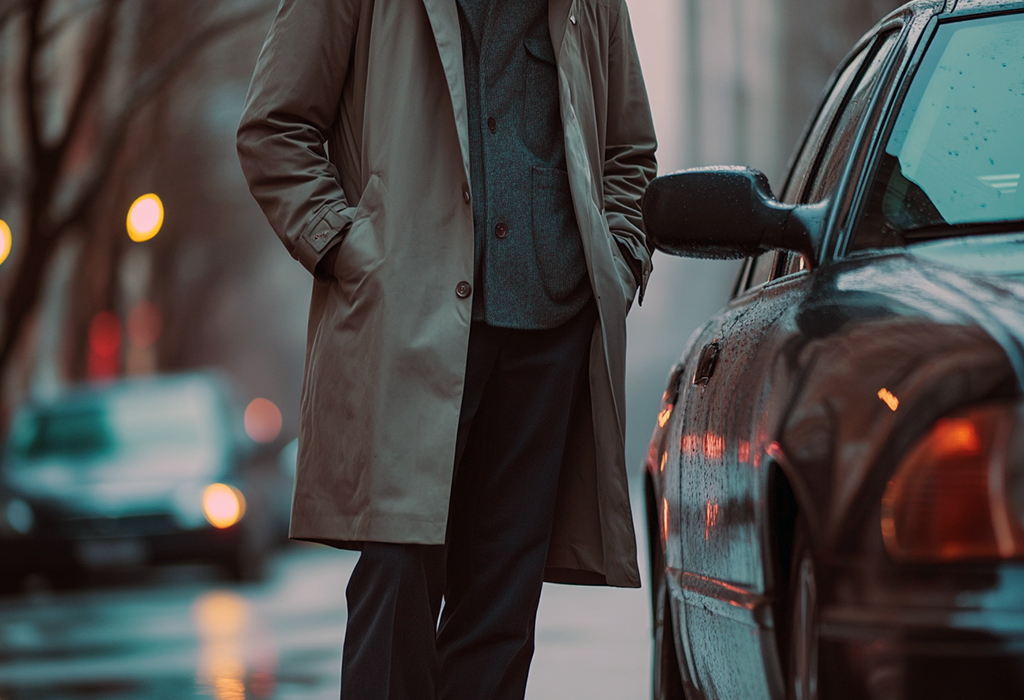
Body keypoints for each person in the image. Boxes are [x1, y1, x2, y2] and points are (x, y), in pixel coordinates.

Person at [237, 1, 656, 697]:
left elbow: (629, 151)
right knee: (397, 581)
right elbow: (273, 129)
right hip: (408, 326)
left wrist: (618, 260)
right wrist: (346, 248)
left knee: (500, 611)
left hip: (548, 335)